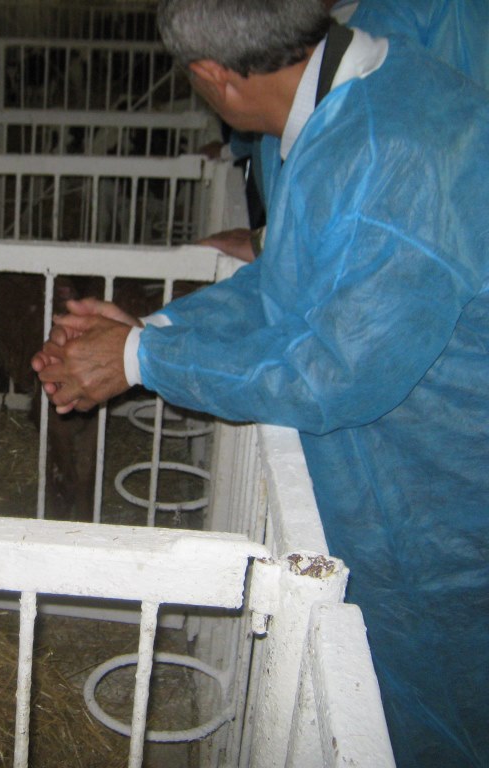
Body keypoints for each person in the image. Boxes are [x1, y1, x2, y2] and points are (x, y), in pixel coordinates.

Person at [32, 1, 489, 764]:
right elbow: (293, 282)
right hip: (405, 491)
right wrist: (148, 333)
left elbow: (333, 373)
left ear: (213, 76)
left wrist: (140, 361)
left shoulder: (391, 154)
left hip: (442, 511)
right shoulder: (363, 100)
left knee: (430, 720)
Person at [202, 0, 489, 263]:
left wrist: (275, 244)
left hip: (411, 245)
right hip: (327, 237)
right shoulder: (328, 23)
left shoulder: (428, 10)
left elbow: (450, 161)